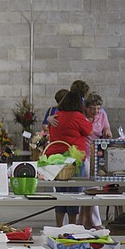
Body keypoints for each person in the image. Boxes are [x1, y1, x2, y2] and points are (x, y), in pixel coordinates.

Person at [47, 88, 92, 226]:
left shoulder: (56, 116)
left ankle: (59, 226)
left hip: (56, 160)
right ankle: (72, 227)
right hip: (73, 161)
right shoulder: (77, 117)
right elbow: (89, 130)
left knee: (60, 195)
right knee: (74, 196)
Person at [79, 91, 113, 228]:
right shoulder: (81, 117)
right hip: (83, 154)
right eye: (93, 108)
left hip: (97, 154)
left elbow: (107, 129)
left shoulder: (102, 115)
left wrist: (108, 132)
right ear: (86, 108)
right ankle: (93, 222)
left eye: (98, 108)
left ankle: (90, 221)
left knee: (93, 188)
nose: (96, 111)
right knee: (89, 188)